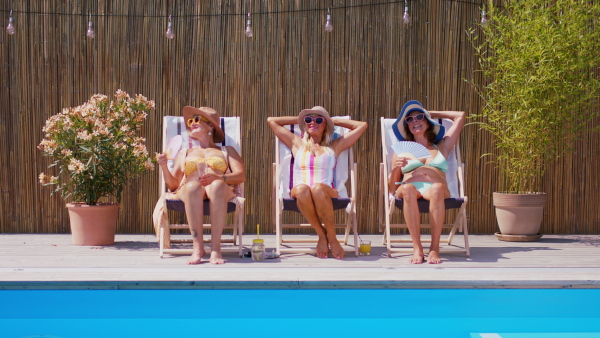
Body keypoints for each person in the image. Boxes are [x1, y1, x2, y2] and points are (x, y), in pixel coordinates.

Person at [268, 106, 367, 259]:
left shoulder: (335, 146)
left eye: (318, 120)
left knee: (317, 188)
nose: (312, 123)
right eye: (309, 120)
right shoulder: (297, 143)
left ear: (326, 125)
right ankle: (323, 235)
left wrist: (332, 120)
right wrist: (302, 119)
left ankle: (331, 237)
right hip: (300, 193)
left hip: (326, 192)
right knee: (303, 189)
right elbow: (272, 121)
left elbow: (362, 126)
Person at [153, 106, 245, 265]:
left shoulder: (226, 150)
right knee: (193, 186)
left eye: (196, 120)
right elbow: (174, 185)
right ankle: (198, 247)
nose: (191, 124)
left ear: (211, 126)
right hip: (190, 192)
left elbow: (241, 176)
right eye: (190, 121)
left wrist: (219, 177)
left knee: (216, 185)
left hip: (220, 191)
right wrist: (164, 167)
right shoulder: (185, 153)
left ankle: (215, 249)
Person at [387, 100, 465, 264]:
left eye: (419, 117)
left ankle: (434, 248)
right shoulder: (402, 149)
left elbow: (461, 116)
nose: (414, 121)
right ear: (407, 126)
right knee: (407, 188)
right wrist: (396, 169)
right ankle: (417, 248)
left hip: (436, 189)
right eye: (410, 119)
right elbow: (392, 188)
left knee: (436, 188)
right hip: (410, 188)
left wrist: (432, 113)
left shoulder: (442, 146)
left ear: (428, 122)